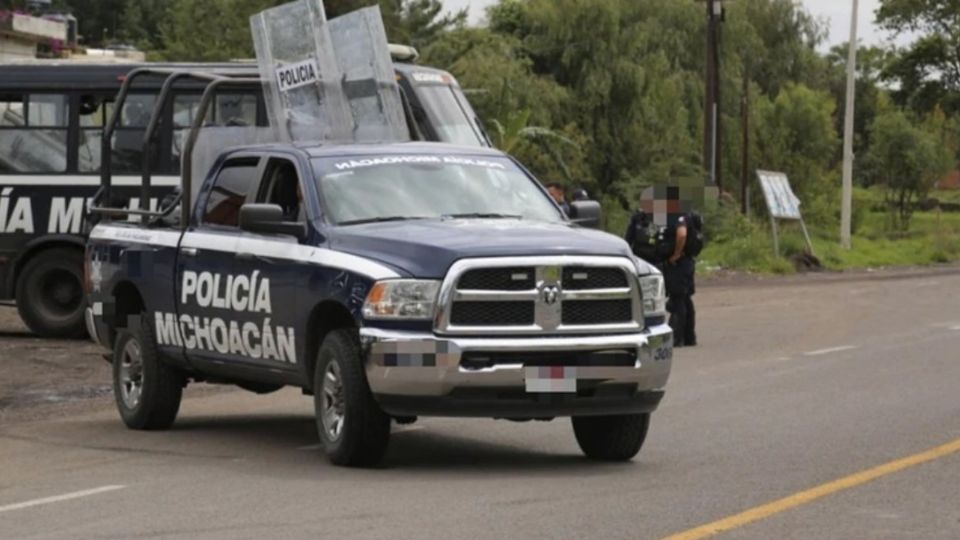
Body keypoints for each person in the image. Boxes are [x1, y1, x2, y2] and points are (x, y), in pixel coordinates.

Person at [662, 202, 697, 348]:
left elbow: (682, 234)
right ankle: (689, 337)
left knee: (677, 300)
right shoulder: (687, 213)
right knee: (685, 299)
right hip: (688, 262)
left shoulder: (678, 216)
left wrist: (675, 255)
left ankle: (677, 337)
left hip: (680, 263)